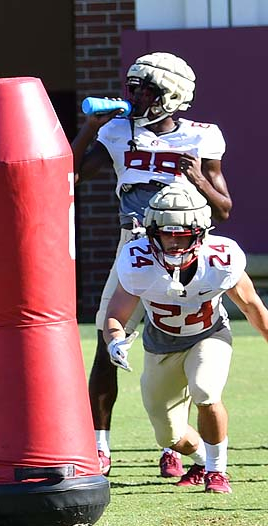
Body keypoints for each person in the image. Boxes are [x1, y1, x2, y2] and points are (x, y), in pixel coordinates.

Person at [72, 51, 231, 477]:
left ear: (173, 96)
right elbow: (68, 174)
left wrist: (197, 179)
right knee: (108, 344)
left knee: (183, 344)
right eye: (134, 87)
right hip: (136, 247)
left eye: (148, 90)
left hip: (189, 250)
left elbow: (224, 210)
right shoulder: (118, 131)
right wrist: (90, 129)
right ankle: (99, 448)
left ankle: (176, 445)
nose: (137, 96)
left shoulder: (201, 136)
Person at [104, 183, 266, 494]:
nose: (174, 243)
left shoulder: (222, 258)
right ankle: (203, 460)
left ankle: (218, 472)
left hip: (209, 334)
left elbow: (251, 305)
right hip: (160, 344)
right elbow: (117, 315)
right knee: (168, 436)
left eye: (182, 235)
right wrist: (114, 339)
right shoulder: (137, 259)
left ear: (201, 232)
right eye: (167, 234)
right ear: (152, 232)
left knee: (205, 390)